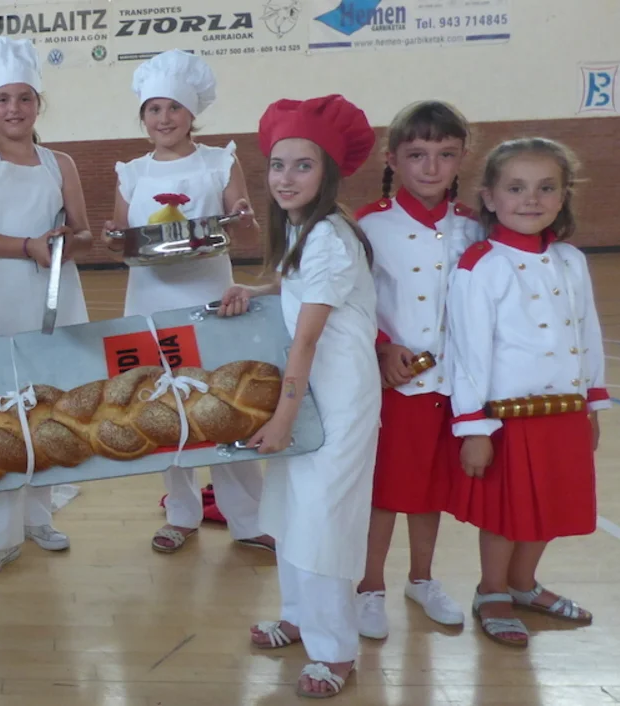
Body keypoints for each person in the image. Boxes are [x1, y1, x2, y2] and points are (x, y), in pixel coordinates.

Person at [224, 94, 379, 699]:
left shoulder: (331, 238)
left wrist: (284, 416)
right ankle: (298, 616)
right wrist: (255, 290)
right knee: (290, 510)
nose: (286, 178)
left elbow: (309, 339)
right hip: (309, 394)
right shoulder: (302, 229)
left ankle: (335, 649)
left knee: (322, 520)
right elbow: (299, 290)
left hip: (336, 397)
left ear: (328, 173)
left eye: (303, 166)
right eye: (278, 165)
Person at [104, 48, 273, 555]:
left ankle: (248, 519)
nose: (164, 118)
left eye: (174, 108)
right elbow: (121, 240)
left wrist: (243, 218)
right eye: (154, 109)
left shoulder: (219, 161)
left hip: (212, 298)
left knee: (224, 402)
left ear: (191, 113)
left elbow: (243, 228)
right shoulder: (132, 172)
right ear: (143, 116)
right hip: (149, 300)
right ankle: (181, 512)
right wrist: (114, 237)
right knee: (162, 405)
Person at [446, 137, 606, 647]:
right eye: (516, 188)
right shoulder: (480, 265)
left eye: (546, 188)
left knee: (551, 506)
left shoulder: (571, 260)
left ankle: (523, 583)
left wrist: (591, 406)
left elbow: (587, 333)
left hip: (565, 413)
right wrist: (474, 428)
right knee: (507, 514)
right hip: (507, 419)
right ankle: (491, 590)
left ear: (563, 196)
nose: (531, 199)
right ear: (490, 198)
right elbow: (467, 354)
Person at [0, 35, 92, 580]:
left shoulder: (61, 163)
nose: (14, 108)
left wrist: (65, 243)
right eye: (4, 99)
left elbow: (82, 231)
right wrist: (28, 246)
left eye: (24, 98)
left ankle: (39, 517)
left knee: (49, 407)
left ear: (38, 104)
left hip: (55, 298)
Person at [352, 100, 482, 639]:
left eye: (445, 154)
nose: (431, 167)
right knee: (385, 491)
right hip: (393, 384)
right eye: (417, 154)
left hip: (454, 386)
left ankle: (422, 579)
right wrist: (382, 347)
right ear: (393, 159)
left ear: (461, 158)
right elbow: (352, 300)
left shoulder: (475, 227)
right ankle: (369, 587)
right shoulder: (368, 224)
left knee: (431, 489)